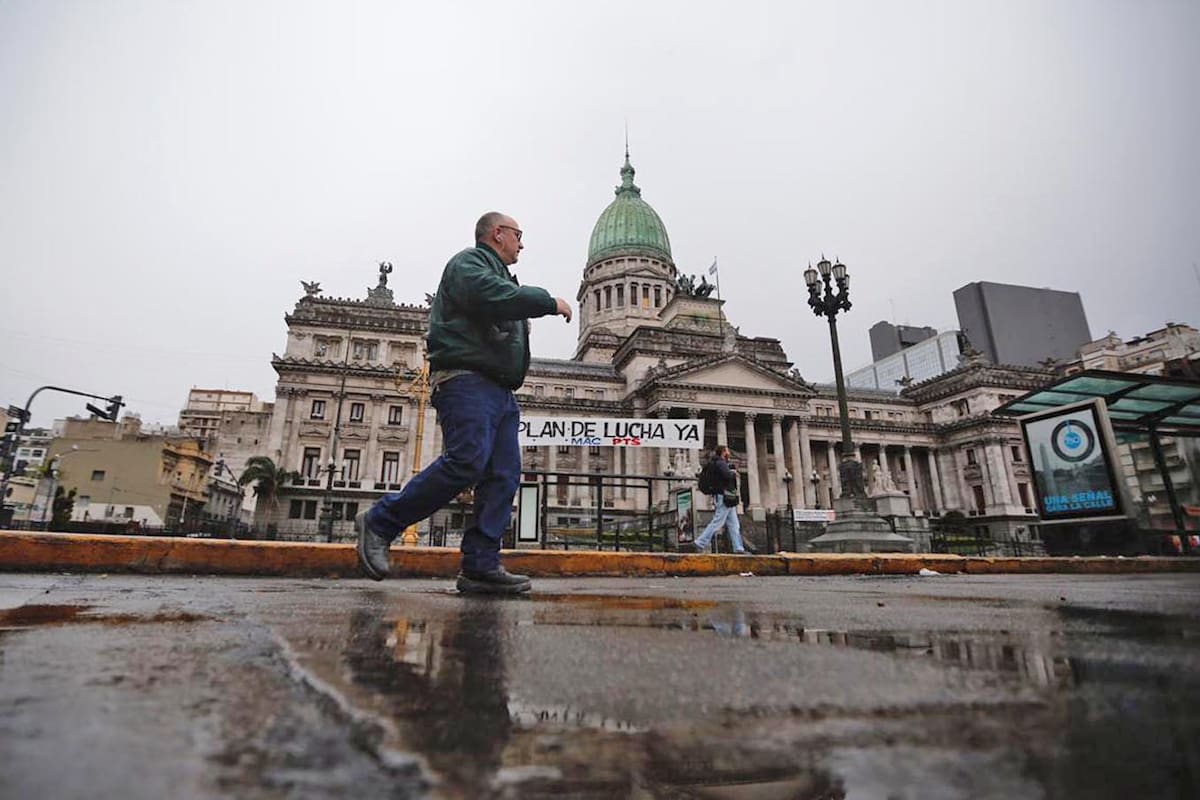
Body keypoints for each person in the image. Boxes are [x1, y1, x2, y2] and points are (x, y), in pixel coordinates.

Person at [356, 212, 573, 594]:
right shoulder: (469, 264)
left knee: (503, 475)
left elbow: (496, 310)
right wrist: (546, 302)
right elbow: (493, 296)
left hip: (500, 391)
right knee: (467, 459)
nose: (522, 244)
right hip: (466, 380)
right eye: (518, 235)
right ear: (497, 234)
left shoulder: (499, 279)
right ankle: (381, 521)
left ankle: (480, 565)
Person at [692, 445, 751, 555]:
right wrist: (733, 472)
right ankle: (700, 542)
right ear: (723, 452)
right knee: (718, 521)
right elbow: (726, 475)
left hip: (725, 497)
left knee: (734, 524)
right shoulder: (720, 463)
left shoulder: (714, 463)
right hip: (724, 496)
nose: (729, 453)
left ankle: (739, 548)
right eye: (727, 451)